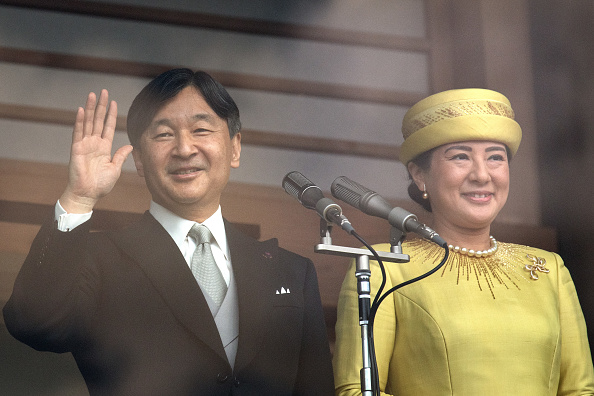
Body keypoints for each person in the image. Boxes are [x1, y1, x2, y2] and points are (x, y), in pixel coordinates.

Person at [3, 69, 334, 395]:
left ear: (234, 148)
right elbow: (34, 324)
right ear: (140, 160)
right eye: (163, 134)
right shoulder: (101, 259)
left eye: (201, 129)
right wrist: (79, 197)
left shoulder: (291, 272)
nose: (184, 148)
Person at [332, 88, 594, 395]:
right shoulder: (382, 267)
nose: (482, 175)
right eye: (460, 157)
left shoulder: (550, 270)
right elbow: (356, 391)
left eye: (495, 157)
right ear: (420, 176)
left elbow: (580, 391)